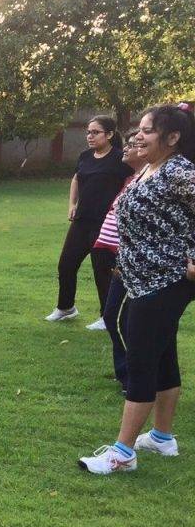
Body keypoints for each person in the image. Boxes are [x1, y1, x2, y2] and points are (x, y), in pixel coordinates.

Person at [79, 103, 195, 474]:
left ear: (172, 137)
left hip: (167, 279)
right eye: (139, 129)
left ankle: (122, 453)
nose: (138, 136)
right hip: (141, 278)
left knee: (142, 357)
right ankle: (161, 437)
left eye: (147, 130)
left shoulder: (179, 171)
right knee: (162, 354)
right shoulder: (149, 167)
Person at [45, 115, 132, 324]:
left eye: (95, 132)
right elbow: (76, 178)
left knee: (102, 270)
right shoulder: (85, 156)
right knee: (66, 265)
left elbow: (132, 181)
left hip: (105, 224)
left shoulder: (121, 159)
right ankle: (66, 308)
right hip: (82, 220)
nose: (90, 136)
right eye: (88, 132)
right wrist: (72, 205)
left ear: (109, 134)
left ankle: (106, 316)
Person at [93, 130, 144, 393]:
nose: (126, 149)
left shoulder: (152, 181)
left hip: (138, 263)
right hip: (122, 260)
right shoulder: (130, 179)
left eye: (134, 145)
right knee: (113, 315)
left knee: (124, 319)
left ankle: (135, 375)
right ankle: (125, 372)